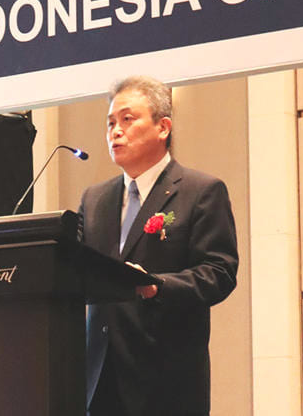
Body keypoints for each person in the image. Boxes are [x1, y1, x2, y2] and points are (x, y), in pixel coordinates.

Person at [78, 75, 238, 416]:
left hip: (166, 382)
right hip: (100, 381)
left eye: (127, 119)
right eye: (110, 123)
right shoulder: (94, 199)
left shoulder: (201, 191)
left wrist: (157, 286)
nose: (115, 131)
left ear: (163, 127)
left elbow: (219, 272)